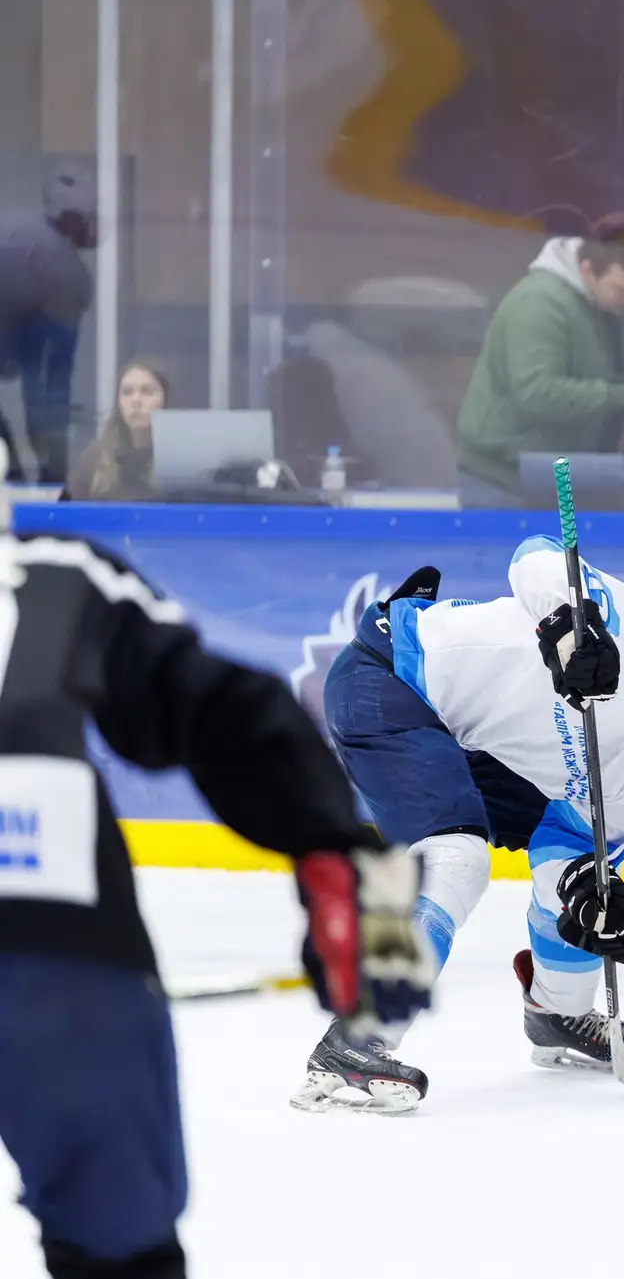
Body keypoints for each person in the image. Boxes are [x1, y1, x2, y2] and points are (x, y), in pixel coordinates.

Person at [0, 439, 435, 1277]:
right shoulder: (55, 572)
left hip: (68, 970)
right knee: (120, 1249)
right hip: (66, 967)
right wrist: (348, 867)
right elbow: (225, 711)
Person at [290, 536, 624, 1112]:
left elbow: (563, 848)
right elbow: (534, 556)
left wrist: (585, 892)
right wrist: (570, 628)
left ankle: (557, 1011)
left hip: (479, 741)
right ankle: (358, 1033)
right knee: (457, 860)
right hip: (393, 676)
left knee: (588, 884)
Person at [456, 214, 624, 506]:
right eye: (622, 289)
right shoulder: (539, 305)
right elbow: (536, 393)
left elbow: (592, 379)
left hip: (560, 474)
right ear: (588, 270)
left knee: (580, 533)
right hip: (504, 482)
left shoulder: (605, 305)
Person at [0, 164, 96, 484]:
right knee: (47, 397)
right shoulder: (68, 275)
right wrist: (54, 474)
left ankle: (20, 474)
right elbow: (51, 387)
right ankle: (39, 476)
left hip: (28, 318)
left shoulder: (24, 239)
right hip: (34, 317)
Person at [67, 359, 168, 501]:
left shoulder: (180, 458)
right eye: (127, 392)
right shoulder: (96, 457)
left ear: (164, 400)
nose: (136, 400)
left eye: (146, 391)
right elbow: (70, 508)